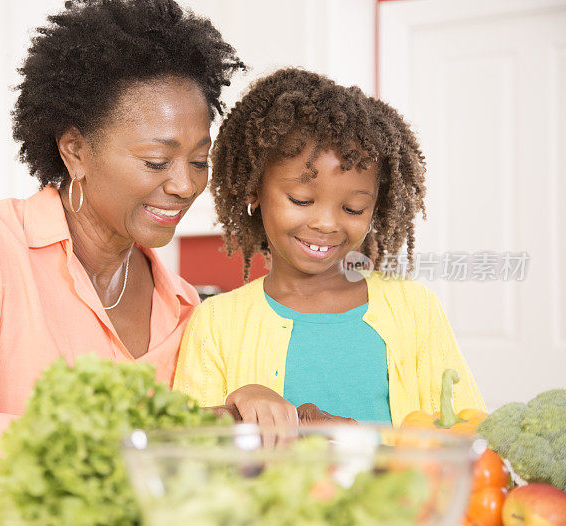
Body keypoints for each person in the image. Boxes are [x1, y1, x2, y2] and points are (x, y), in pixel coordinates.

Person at [0, 0, 243, 503]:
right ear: (75, 151)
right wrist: (128, 442)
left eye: (200, 161)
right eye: (156, 160)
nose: (184, 185)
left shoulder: (182, 306)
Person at [173, 68, 485, 428]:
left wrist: (359, 444)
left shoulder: (416, 311)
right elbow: (186, 456)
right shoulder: (216, 323)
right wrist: (237, 408)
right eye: (301, 199)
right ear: (254, 190)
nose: (327, 224)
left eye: (353, 208)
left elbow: (468, 437)